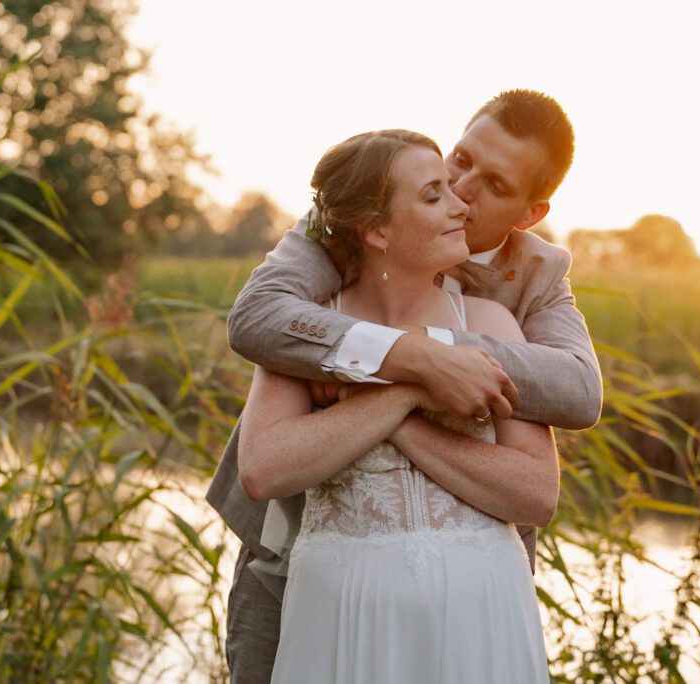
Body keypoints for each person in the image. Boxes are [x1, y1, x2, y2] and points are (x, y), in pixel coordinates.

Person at [207, 90, 602, 683]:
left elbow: (578, 390)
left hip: (469, 583)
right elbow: (258, 316)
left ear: (529, 213)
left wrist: (442, 356)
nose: (462, 191)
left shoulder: (534, 278)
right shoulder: (341, 232)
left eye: (493, 186)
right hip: (298, 554)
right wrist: (410, 360)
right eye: (461, 160)